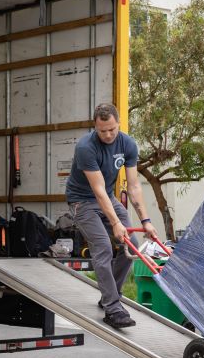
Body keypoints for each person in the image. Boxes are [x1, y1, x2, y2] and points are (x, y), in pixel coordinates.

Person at [65, 103, 159, 329]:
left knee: (131, 247)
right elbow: (96, 190)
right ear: (95, 127)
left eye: (112, 129)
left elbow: (134, 186)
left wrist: (145, 221)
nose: (107, 135)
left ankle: (110, 294)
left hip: (108, 198)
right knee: (103, 248)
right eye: (102, 130)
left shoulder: (127, 144)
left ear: (118, 124)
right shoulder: (86, 147)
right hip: (82, 201)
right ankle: (113, 307)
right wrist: (116, 223)